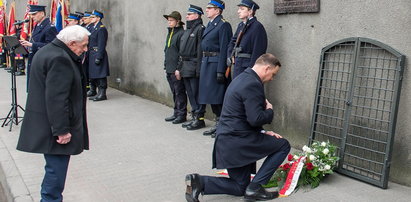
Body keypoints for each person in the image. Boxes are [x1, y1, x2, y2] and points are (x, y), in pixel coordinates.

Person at [185, 53, 291, 202]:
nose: (272, 79)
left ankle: (200, 182)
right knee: (283, 145)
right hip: (239, 142)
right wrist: (269, 110)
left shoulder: (241, 78)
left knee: (240, 187)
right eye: (273, 74)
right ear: (267, 68)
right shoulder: (253, 84)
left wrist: (263, 132)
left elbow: (242, 116)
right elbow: (256, 119)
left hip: (228, 143)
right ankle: (256, 188)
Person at [16, 25, 90, 202]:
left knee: (53, 169)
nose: (85, 49)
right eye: (84, 45)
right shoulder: (60, 58)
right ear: (72, 43)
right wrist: (62, 130)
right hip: (55, 128)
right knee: (56, 173)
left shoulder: (49, 50)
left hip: (46, 123)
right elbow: (57, 98)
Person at [197, 0, 232, 136]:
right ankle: (218, 123)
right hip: (207, 63)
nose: (207, 10)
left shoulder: (223, 25)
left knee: (218, 97)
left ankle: (222, 125)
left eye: (209, 8)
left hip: (216, 63)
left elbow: (224, 48)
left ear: (217, 10)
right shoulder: (210, 24)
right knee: (210, 96)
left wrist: (220, 70)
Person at [178, 5, 206, 130]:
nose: (187, 16)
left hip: (194, 66)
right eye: (187, 14)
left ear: (197, 15)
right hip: (185, 66)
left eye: (189, 14)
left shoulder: (200, 29)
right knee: (190, 93)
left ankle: (200, 118)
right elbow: (181, 52)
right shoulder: (187, 31)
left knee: (196, 93)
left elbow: (200, 51)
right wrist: (179, 67)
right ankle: (194, 116)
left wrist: (199, 69)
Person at [20, 4, 58, 88]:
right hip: (34, 59)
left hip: (43, 62)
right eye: (31, 15)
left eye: (34, 14)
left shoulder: (49, 27)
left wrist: (33, 45)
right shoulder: (37, 26)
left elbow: (52, 46)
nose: (32, 17)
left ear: (42, 13)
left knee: (40, 89)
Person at [228, 0, 267, 79]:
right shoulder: (241, 25)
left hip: (247, 67)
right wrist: (230, 54)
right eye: (239, 9)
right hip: (238, 64)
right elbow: (233, 41)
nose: (238, 11)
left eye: (242, 9)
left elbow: (258, 51)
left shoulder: (257, 27)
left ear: (250, 11)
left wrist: (252, 70)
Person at [163, 11, 187, 124]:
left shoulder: (181, 33)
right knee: (174, 92)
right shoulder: (170, 32)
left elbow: (182, 53)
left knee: (179, 92)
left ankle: (182, 114)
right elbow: (168, 51)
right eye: (168, 20)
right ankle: (176, 112)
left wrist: (178, 68)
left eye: (171, 20)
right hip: (169, 68)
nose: (169, 22)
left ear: (178, 21)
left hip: (176, 69)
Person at [87, 10, 110, 101]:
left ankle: (102, 94)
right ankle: (96, 92)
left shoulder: (101, 28)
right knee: (94, 75)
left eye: (93, 17)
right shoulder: (93, 28)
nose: (91, 19)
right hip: (92, 53)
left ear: (98, 18)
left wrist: (99, 56)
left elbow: (101, 44)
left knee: (100, 75)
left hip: (97, 53)